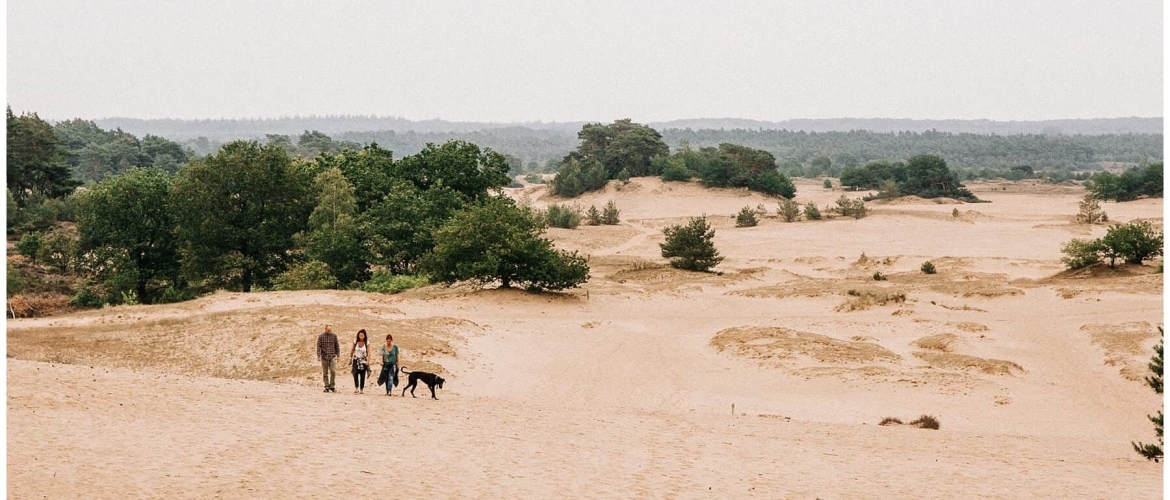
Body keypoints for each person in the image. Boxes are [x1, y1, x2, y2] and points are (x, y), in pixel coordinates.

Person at [316, 325, 340, 393]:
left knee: (333, 371)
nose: (329, 332)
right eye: (328, 330)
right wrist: (318, 355)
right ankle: (326, 386)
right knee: (325, 373)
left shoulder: (334, 336)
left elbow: (337, 346)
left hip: (332, 356)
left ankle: (332, 386)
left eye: (330, 330)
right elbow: (318, 346)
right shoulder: (321, 336)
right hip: (324, 357)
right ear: (325, 329)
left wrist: (338, 355)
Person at [350, 329, 370, 394]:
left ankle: (361, 389)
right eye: (360, 335)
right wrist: (350, 358)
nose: (361, 336)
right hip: (356, 359)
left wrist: (368, 361)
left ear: (364, 336)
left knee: (362, 375)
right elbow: (352, 350)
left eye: (362, 335)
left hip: (363, 360)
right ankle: (356, 387)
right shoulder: (355, 341)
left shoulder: (367, 342)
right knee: (355, 373)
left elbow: (369, 352)